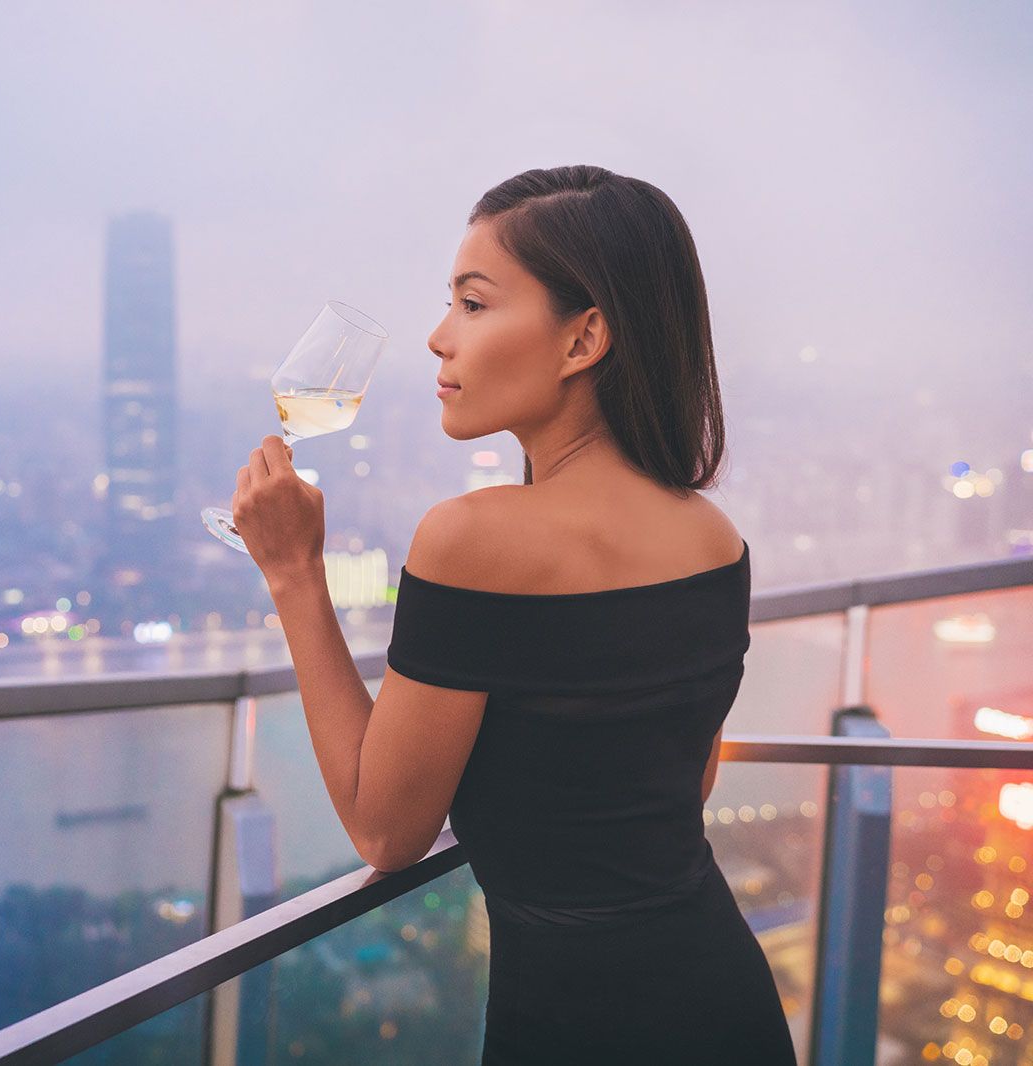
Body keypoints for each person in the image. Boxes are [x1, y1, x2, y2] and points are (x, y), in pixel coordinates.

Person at [228, 164, 796, 1064]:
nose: (437, 338)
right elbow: (679, 790)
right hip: (724, 1001)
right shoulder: (711, 536)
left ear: (584, 339)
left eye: (474, 303)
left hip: (574, 1021)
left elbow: (387, 830)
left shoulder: (471, 540)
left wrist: (295, 572)